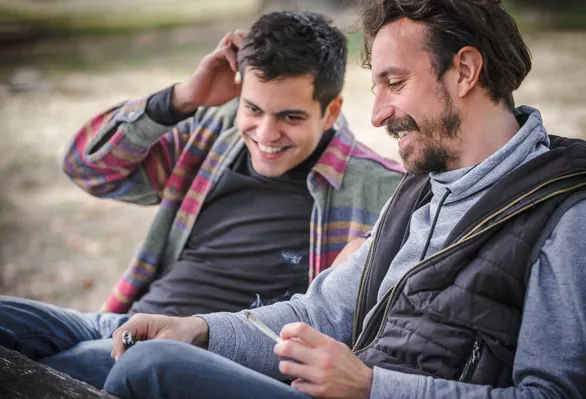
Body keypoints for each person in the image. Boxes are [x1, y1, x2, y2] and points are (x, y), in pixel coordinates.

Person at [101, 0, 586, 398]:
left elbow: (559, 392)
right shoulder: (419, 191)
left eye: (395, 83)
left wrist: (371, 387)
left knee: (152, 368)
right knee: (55, 342)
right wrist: (198, 330)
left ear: (465, 71)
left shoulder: (570, 215)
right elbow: (319, 316)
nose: (379, 114)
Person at [0, 11, 404, 390]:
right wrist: (182, 98)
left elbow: (353, 326)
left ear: (331, 111)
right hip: (119, 322)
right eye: (253, 108)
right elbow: (87, 167)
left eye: (290, 117)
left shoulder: (382, 189)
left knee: (61, 369)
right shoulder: (214, 135)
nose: (266, 133)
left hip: (204, 355)